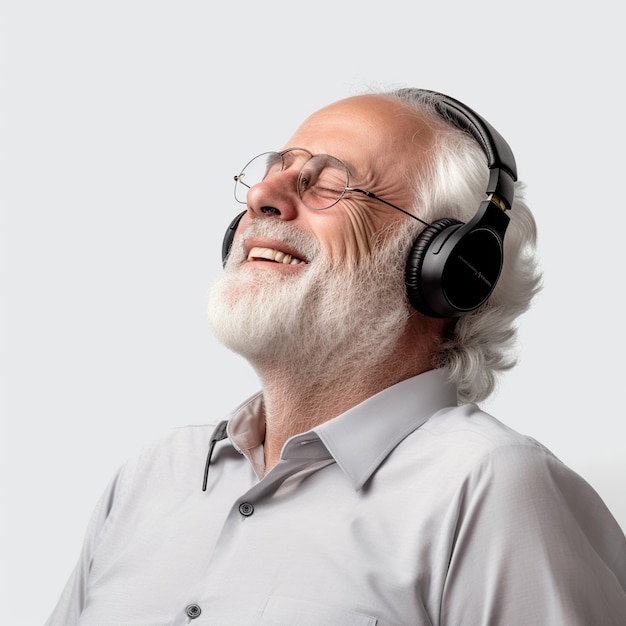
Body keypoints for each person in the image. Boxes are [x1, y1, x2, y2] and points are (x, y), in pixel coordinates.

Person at [46, 88, 626, 625]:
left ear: (447, 263)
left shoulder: (493, 486)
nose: (260, 196)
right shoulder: (152, 475)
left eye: (330, 185)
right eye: (277, 171)